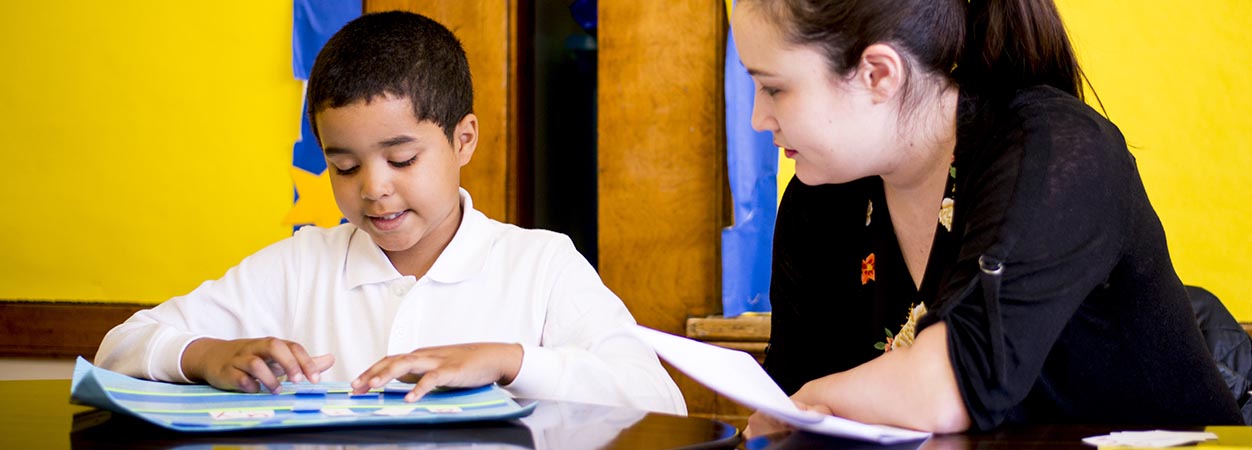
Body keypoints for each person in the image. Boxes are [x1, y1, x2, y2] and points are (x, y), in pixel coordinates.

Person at [94, 11, 685, 416]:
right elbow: (121, 346)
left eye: (402, 158)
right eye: (344, 167)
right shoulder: (300, 267)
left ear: (464, 140)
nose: (374, 189)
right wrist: (206, 356)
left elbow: (658, 401)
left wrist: (510, 361)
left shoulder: (541, 265)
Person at [731, 0, 1243, 435]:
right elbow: (796, 397)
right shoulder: (820, 201)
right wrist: (796, 411)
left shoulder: (1053, 151)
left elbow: (947, 388)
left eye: (774, 88)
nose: (758, 119)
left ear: (878, 73)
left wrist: (796, 411)